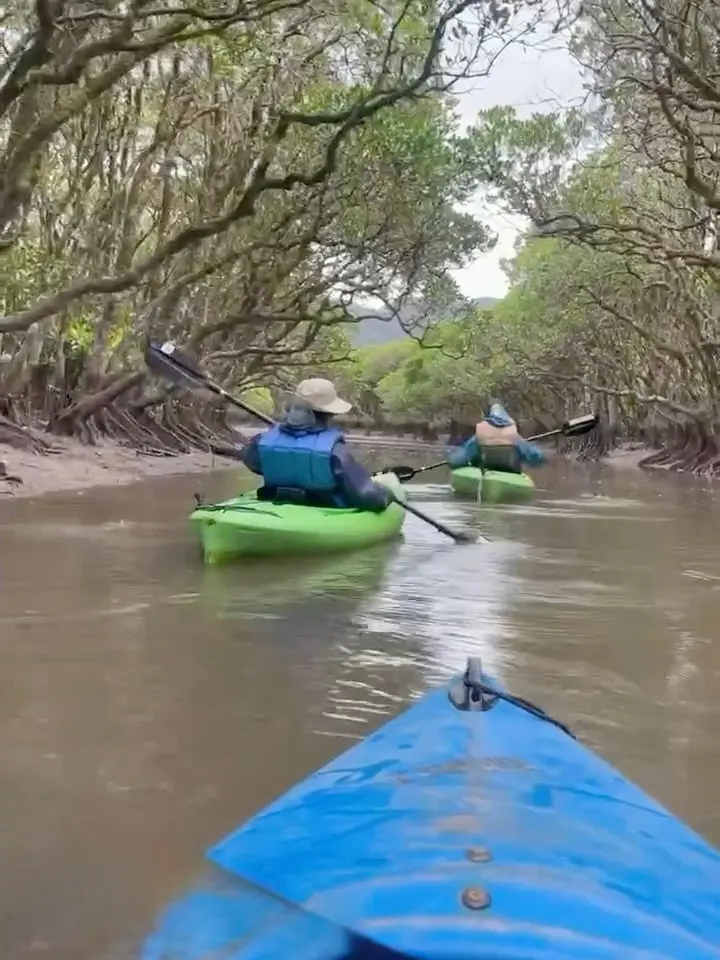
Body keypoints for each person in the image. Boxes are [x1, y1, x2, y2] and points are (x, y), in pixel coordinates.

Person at [240, 378, 393, 511]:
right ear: (330, 414)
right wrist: (387, 496)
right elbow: (365, 495)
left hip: (275, 501)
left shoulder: (263, 440)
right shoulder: (335, 449)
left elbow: (253, 463)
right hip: (324, 507)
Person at [447, 401, 546, 473]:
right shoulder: (514, 437)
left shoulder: (480, 435)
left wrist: (451, 460)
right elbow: (536, 457)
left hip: (485, 471)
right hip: (511, 473)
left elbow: (459, 459)